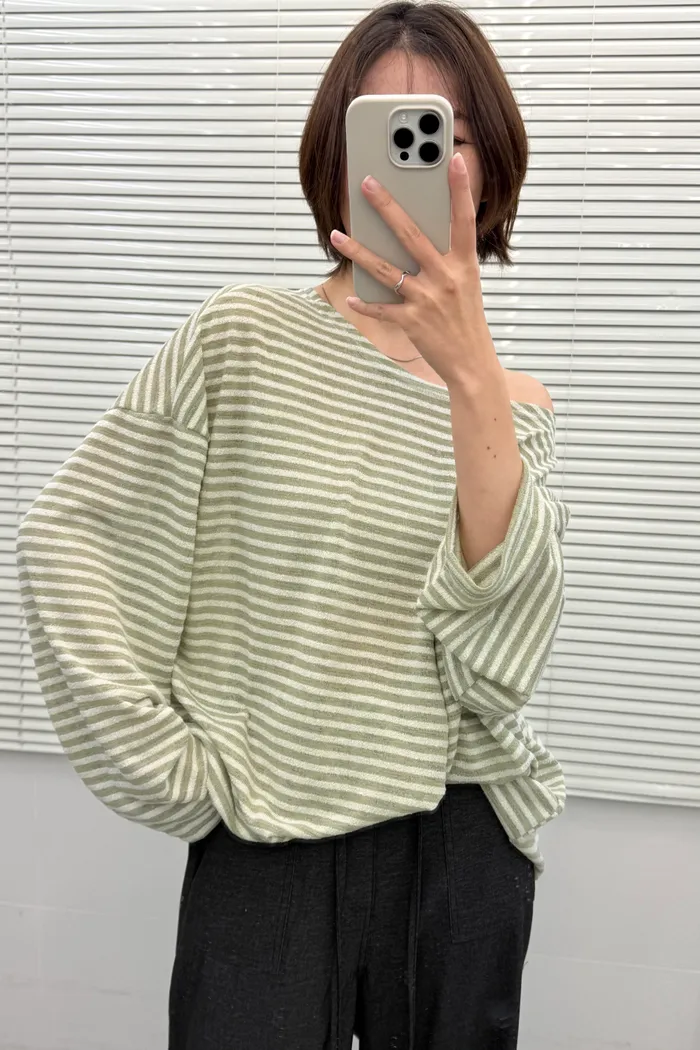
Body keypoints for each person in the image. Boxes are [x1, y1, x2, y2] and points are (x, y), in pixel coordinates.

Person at [15, 2, 571, 1048]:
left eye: (448, 133)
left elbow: (502, 663)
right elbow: (71, 536)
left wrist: (470, 373)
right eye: (387, 129)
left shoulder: (517, 405)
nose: (422, 159)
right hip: (268, 838)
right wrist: (170, 771)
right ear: (337, 153)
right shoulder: (242, 339)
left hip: (461, 841)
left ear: (490, 161)